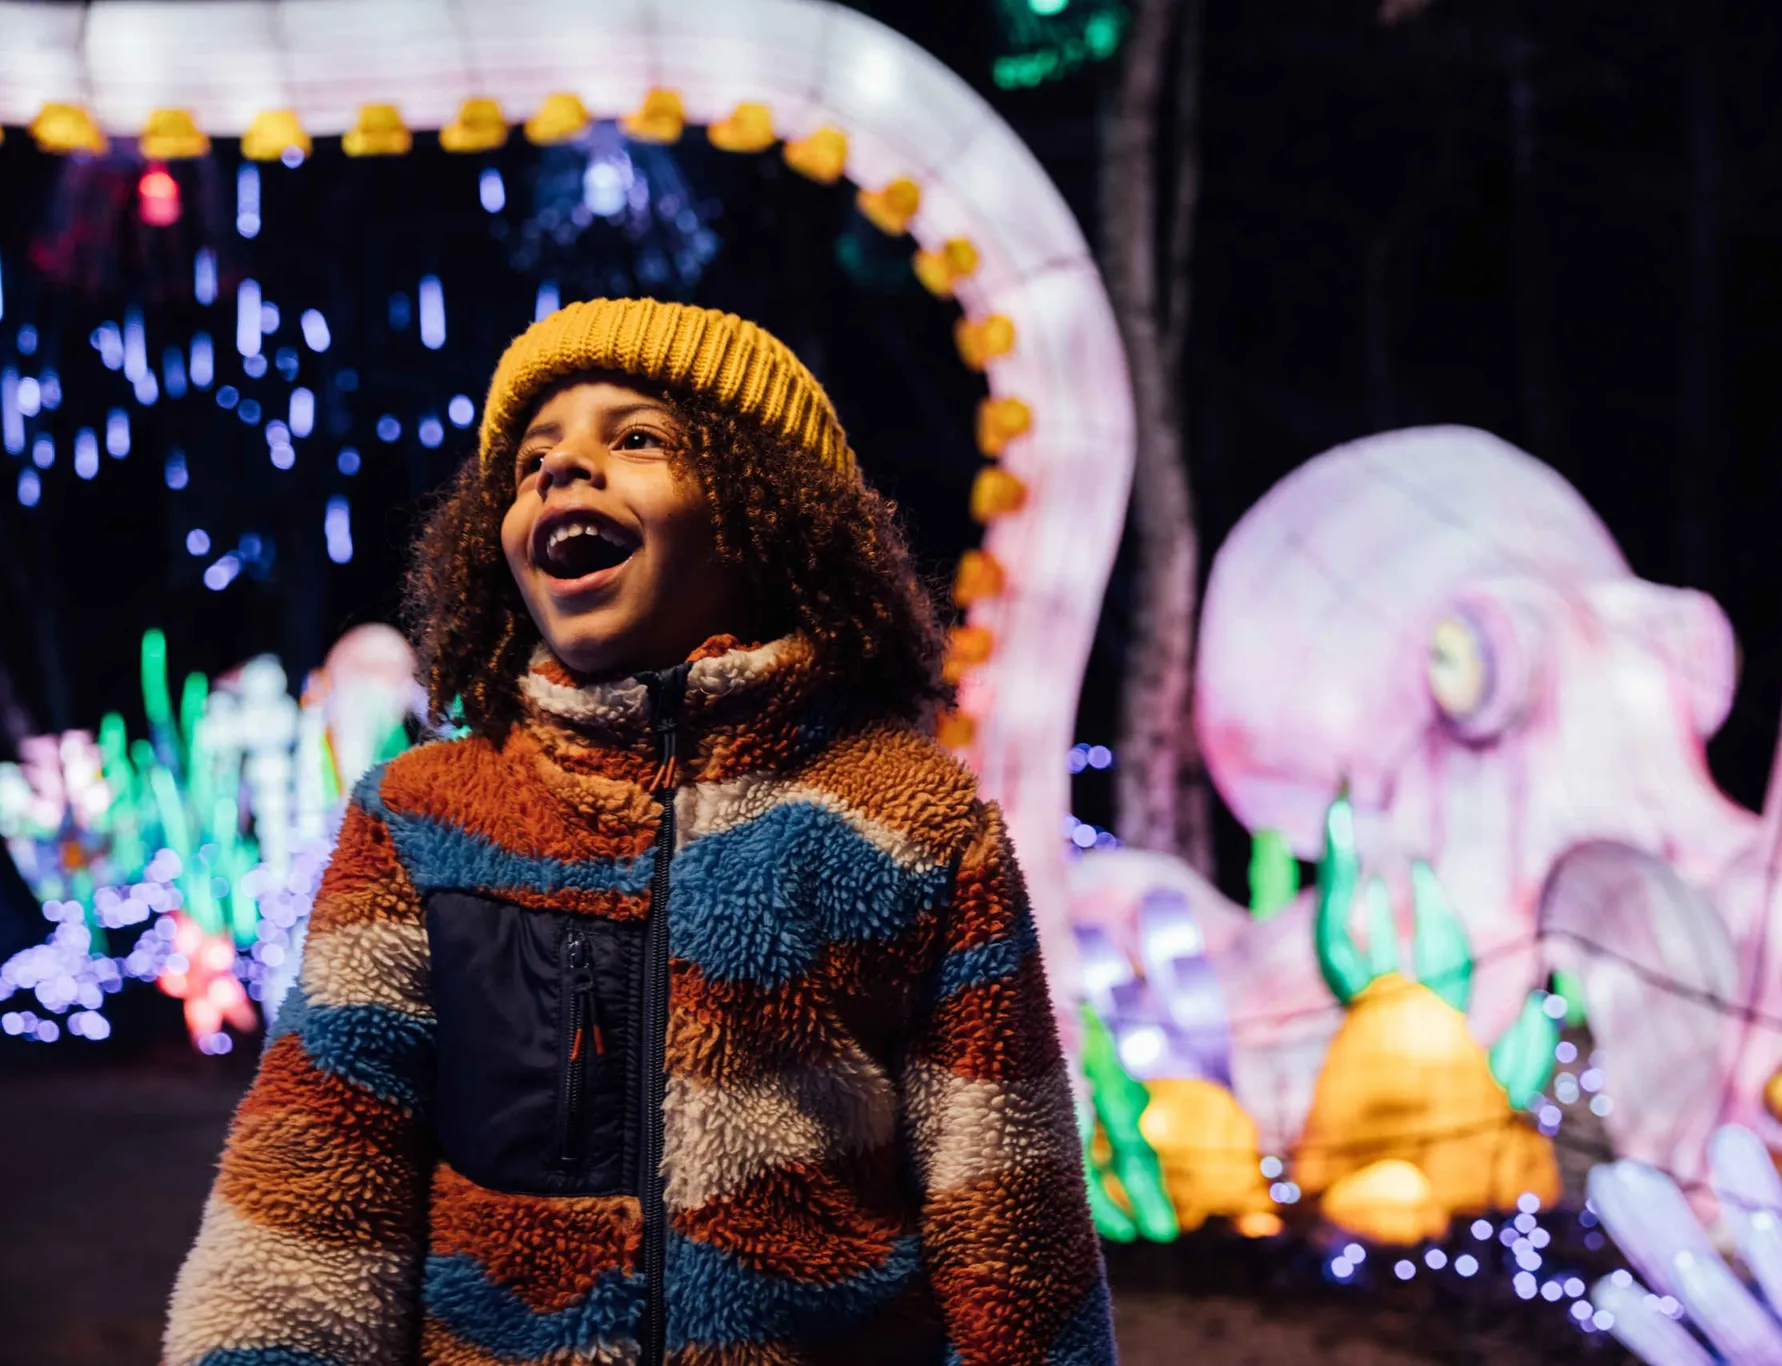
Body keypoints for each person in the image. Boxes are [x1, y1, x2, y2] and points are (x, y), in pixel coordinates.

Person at [162, 299, 1116, 1365]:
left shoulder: (911, 820)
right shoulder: (421, 817)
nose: (562, 470)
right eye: (530, 462)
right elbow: (311, 1191)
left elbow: (1010, 1218)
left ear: (768, 508)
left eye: (638, 438)